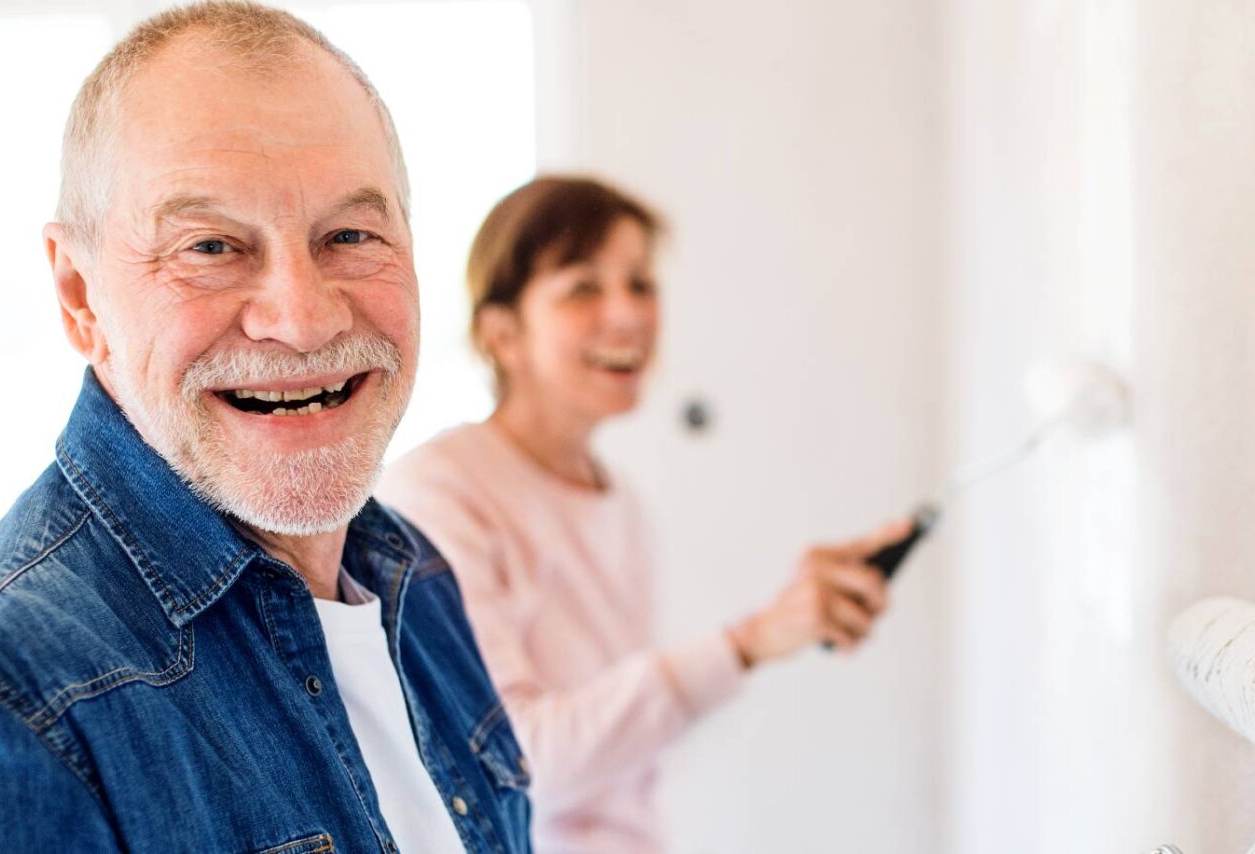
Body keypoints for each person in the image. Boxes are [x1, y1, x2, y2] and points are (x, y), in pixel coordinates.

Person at [0, 3, 528, 851]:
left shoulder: (414, 581)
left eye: (350, 234)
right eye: (212, 247)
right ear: (79, 296)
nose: (303, 318)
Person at [376, 176, 907, 853]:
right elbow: (514, 764)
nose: (628, 314)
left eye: (641, 284)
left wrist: (779, 632)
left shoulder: (619, 500)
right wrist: (750, 641)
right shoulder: (437, 494)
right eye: (583, 288)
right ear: (501, 333)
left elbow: (631, 757)